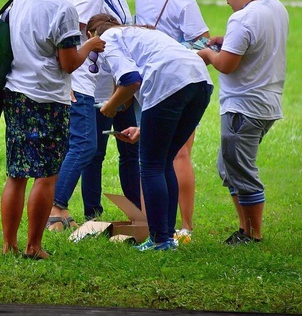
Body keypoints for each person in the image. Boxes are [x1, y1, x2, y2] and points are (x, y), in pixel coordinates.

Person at [1, 0, 104, 259]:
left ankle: (9, 245)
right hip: (48, 99)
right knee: (46, 177)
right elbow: (69, 62)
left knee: (16, 174)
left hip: (16, 94)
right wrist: (91, 45)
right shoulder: (64, 10)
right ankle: (34, 246)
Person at [87, 13, 213, 251]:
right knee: (165, 160)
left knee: (153, 164)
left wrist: (110, 107)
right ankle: (167, 235)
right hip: (200, 82)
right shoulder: (140, 34)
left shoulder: (109, 37)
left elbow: (131, 80)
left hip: (169, 83)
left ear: (92, 36)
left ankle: (159, 240)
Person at [133, 0, 224, 243]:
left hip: (148, 87)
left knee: (153, 158)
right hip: (180, 83)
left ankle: (155, 225)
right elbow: (202, 43)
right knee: (179, 154)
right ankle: (183, 226)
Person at [196, 0, 288, 244]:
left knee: (242, 170)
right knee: (228, 166)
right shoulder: (275, 7)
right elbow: (257, 45)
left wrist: (208, 55)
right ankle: (244, 229)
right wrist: (229, 40)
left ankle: (253, 234)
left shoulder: (242, 18)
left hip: (244, 106)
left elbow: (226, 65)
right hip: (267, 103)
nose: (226, 1)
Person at [46, 0, 118, 232]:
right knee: (84, 145)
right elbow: (72, 37)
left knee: (86, 146)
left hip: (81, 80)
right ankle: (55, 207)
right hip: (80, 82)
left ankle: (70, 209)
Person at [81, 0, 141, 219]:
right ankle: (92, 211)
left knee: (131, 147)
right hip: (100, 86)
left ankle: (136, 210)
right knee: (95, 152)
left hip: (123, 84)